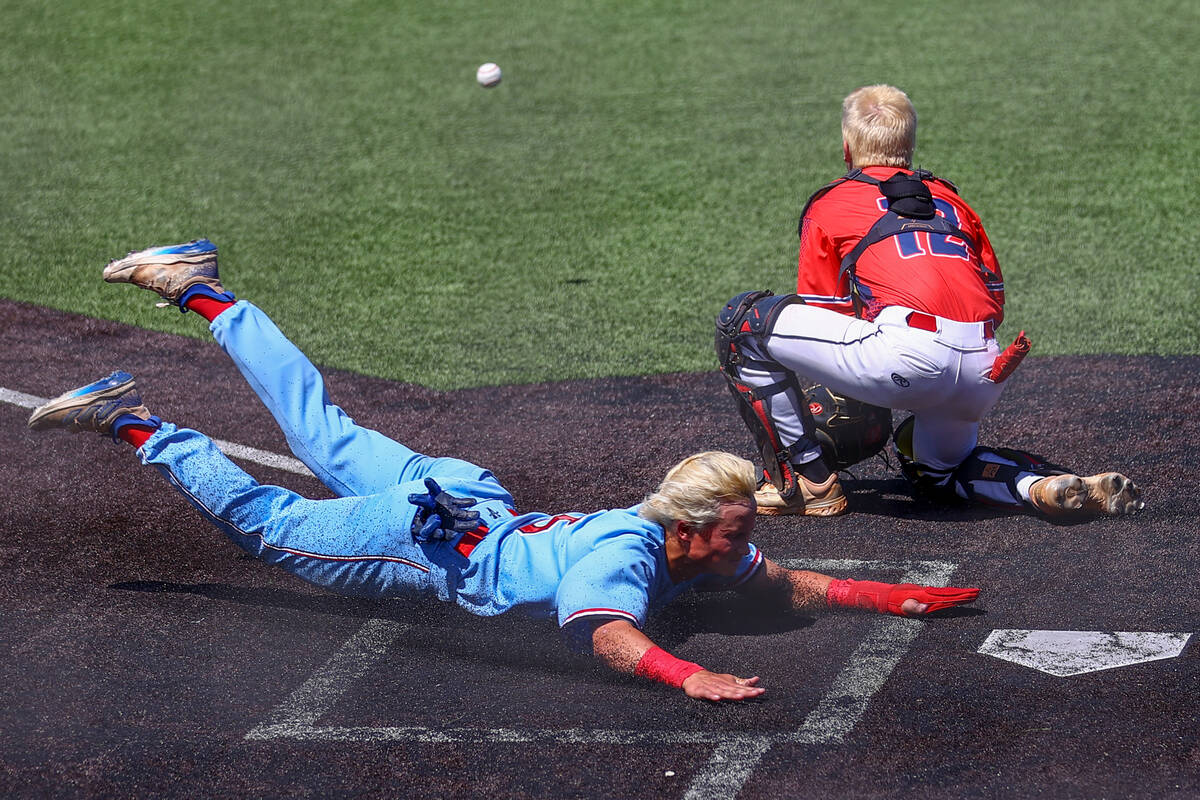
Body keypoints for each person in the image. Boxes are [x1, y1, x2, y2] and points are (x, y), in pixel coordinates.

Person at [29, 238, 980, 702]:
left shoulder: (695, 542)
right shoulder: (629, 561)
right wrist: (688, 677)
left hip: (467, 494)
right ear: (690, 526)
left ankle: (203, 287)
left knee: (320, 428)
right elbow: (609, 638)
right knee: (270, 526)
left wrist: (892, 598)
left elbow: (787, 583)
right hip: (419, 535)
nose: (750, 533)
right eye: (738, 523)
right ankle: (137, 424)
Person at [716, 84, 1145, 519]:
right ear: (908, 145)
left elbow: (824, 310)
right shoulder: (954, 200)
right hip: (984, 371)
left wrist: (853, 397)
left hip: (906, 357)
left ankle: (805, 483)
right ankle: (1038, 486)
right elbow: (993, 303)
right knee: (940, 471)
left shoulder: (832, 201)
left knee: (741, 325)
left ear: (847, 148)